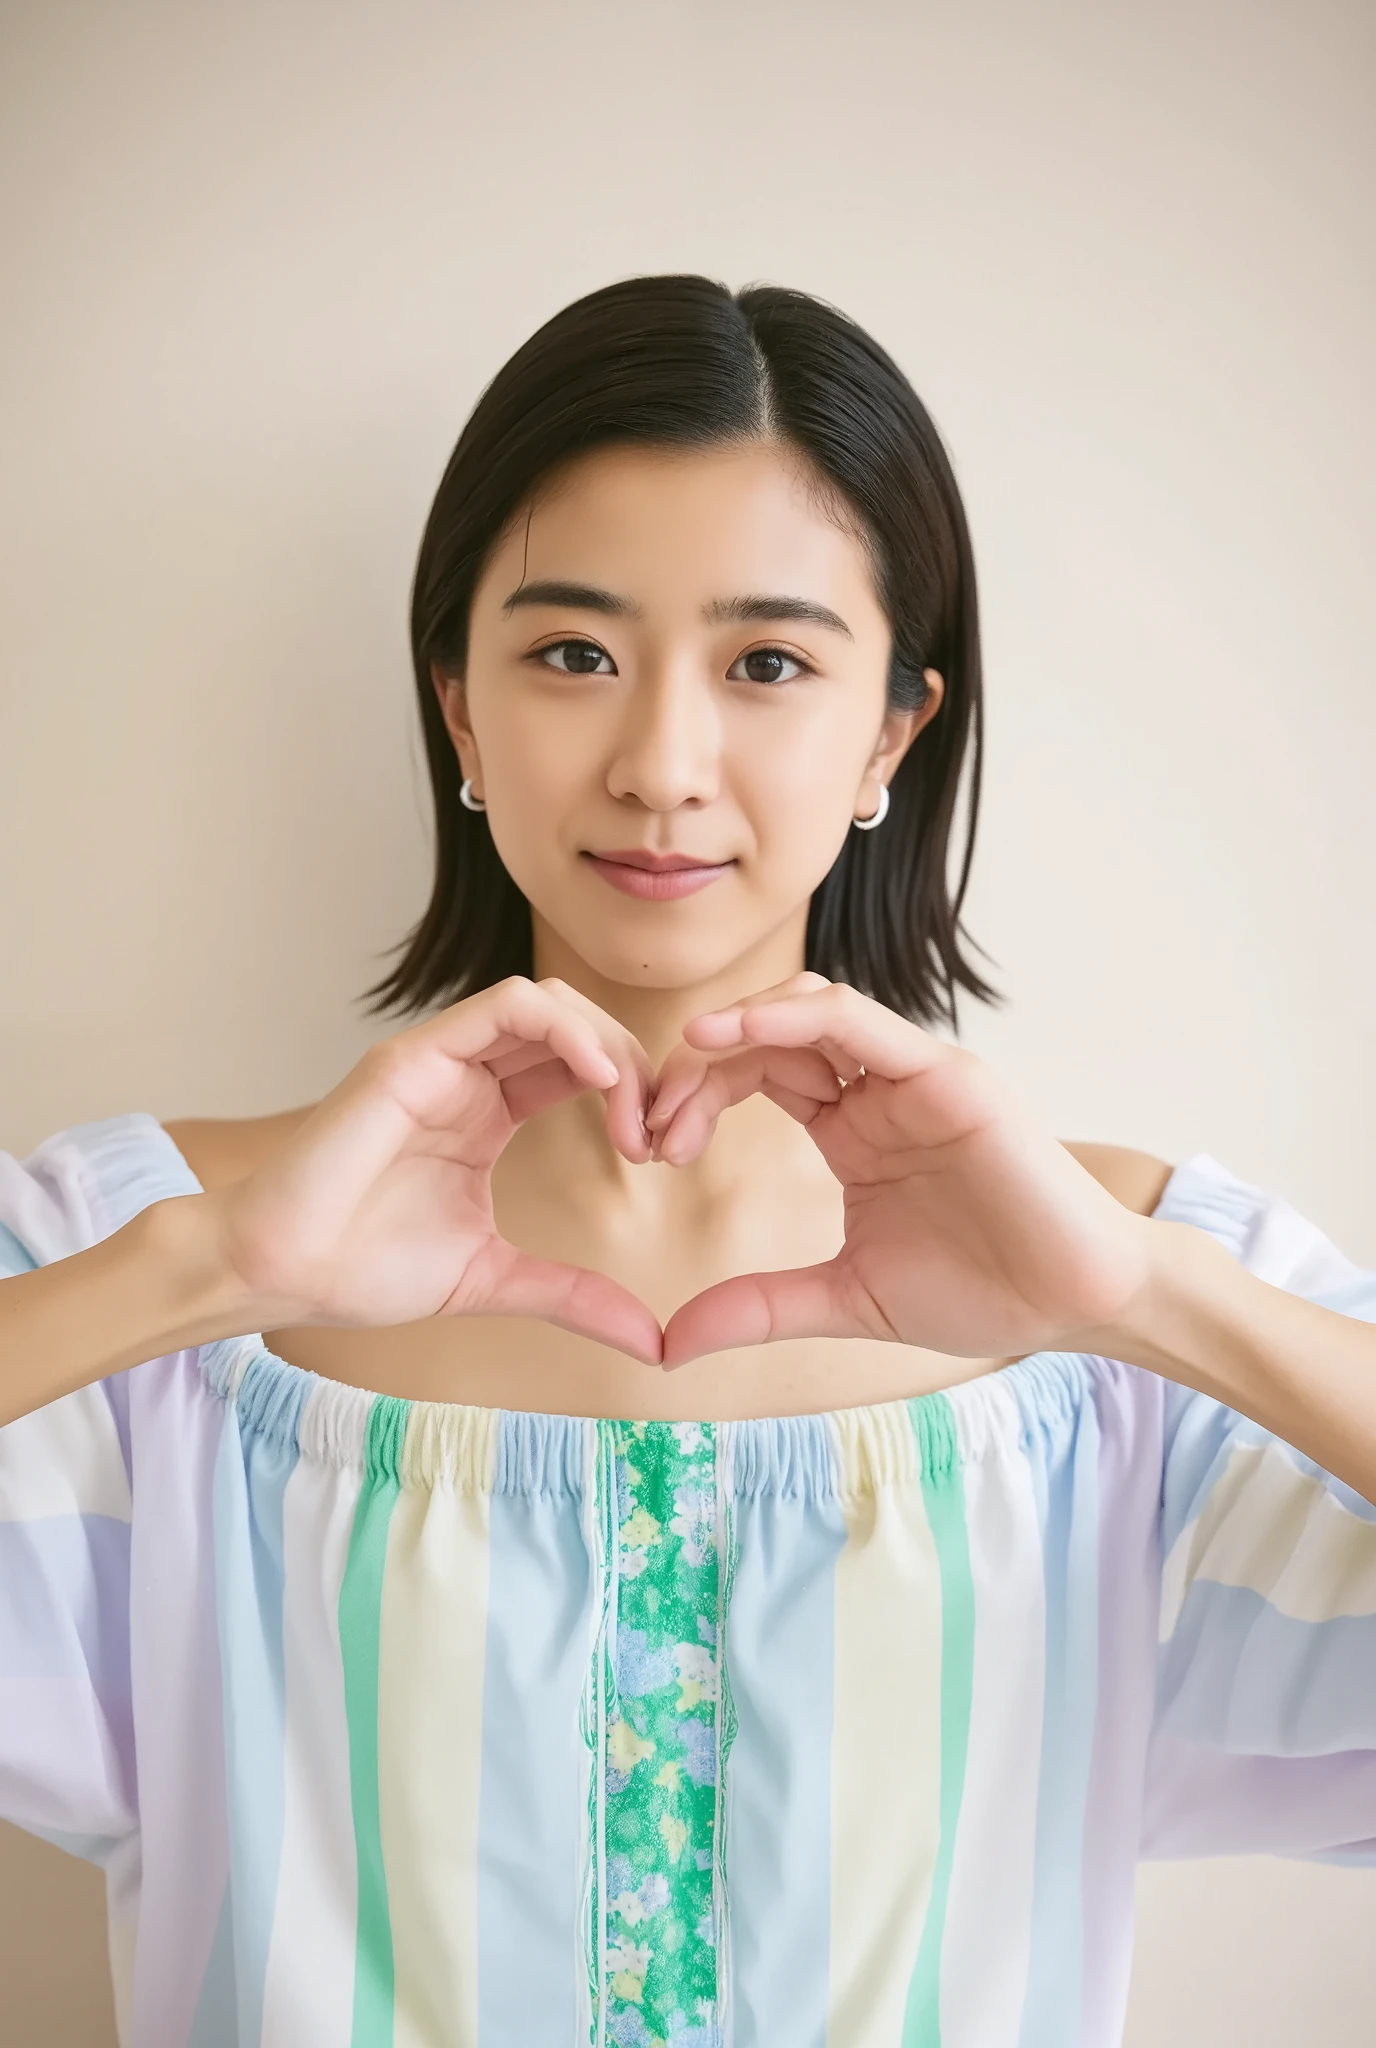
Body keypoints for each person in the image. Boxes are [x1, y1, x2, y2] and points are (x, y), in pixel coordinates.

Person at [2, 274, 1375, 2048]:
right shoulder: (125, 1257)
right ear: (460, 712)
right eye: (572, 652)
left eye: (770, 665)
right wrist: (206, 1278)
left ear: (894, 731)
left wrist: (1140, 1299)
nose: (660, 764)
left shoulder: (1127, 1299)